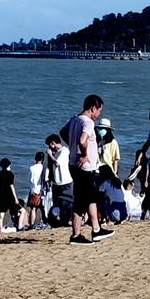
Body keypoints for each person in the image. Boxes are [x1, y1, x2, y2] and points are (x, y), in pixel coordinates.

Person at [61, 95, 112, 245]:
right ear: (93, 108)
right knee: (81, 201)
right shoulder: (88, 122)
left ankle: (96, 229)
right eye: (99, 111)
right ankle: (76, 235)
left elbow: (62, 132)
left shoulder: (74, 119)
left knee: (91, 197)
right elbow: (82, 140)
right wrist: (83, 154)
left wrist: (72, 146)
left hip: (74, 164)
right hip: (84, 167)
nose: (99, 114)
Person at [0, 158, 21, 231]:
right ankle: (17, 226)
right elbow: (11, 186)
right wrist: (15, 198)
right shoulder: (10, 174)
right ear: (8, 165)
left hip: (1, 196)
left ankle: (0, 228)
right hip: (10, 195)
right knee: (15, 212)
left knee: (1, 214)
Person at [25, 151, 48, 229]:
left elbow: (30, 179)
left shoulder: (32, 168)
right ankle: (45, 221)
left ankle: (31, 224)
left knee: (33, 208)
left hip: (34, 190)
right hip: (43, 190)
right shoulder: (44, 168)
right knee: (43, 208)